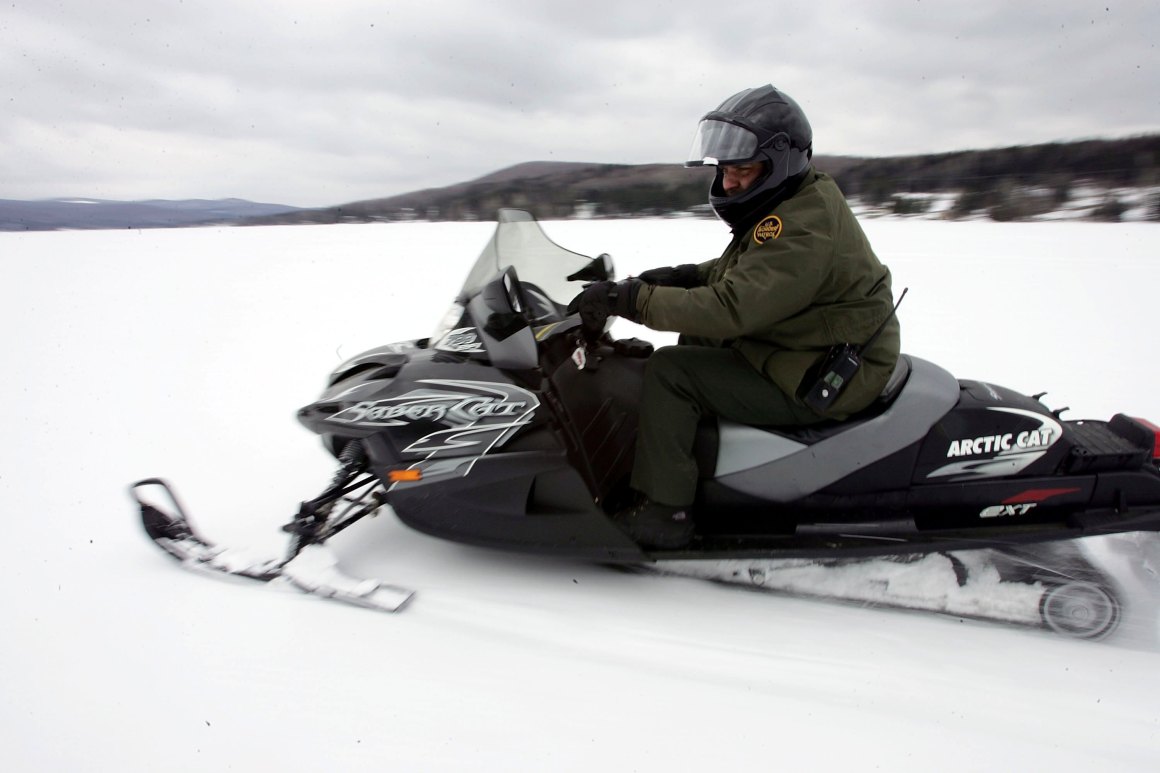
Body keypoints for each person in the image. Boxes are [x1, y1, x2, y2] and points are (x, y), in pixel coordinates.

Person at [569, 84, 901, 549]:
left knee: (670, 372)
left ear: (780, 162)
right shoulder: (797, 200)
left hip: (825, 373)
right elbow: (748, 275)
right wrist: (682, 277)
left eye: (741, 170)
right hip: (806, 348)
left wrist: (633, 301)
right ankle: (697, 469)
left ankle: (666, 512)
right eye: (725, 171)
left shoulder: (802, 225)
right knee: (695, 342)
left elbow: (732, 308)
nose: (728, 184)